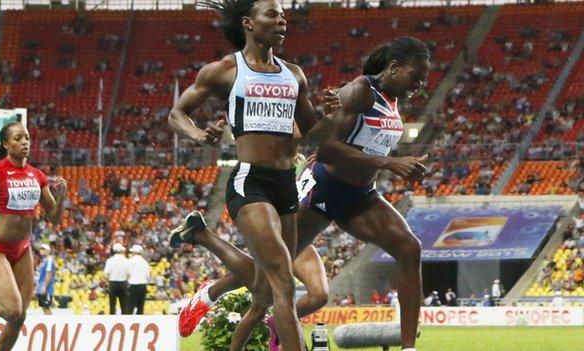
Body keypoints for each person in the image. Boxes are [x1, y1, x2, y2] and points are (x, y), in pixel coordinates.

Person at [175, 36, 430, 351]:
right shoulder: (360, 91)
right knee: (267, 280)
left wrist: (392, 165)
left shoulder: (393, 99)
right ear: (394, 67)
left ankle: (408, 348)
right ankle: (208, 280)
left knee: (410, 249)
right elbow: (325, 149)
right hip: (322, 189)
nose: (419, 84)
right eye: (415, 76)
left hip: (361, 196)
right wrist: (389, 162)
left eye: (423, 80)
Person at [168, 0, 339, 349]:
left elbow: (313, 134)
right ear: (248, 22)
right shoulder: (225, 71)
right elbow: (177, 114)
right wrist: (198, 134)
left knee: (264, 291)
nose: (281, 19)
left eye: (283, 15)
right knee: (284, 284)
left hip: (285, 188)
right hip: (251, 182)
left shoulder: (294, 75)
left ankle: (201, 237)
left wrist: (332, 118)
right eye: (272, 14)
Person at [0, 122, 66, 351]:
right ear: (6, 144)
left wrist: (62, 197)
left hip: (23, 249)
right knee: (12, 311)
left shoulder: (37, 176)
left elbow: (54, 218)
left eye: (27, 138)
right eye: (18, 138)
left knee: (20, 318)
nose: (25, 142)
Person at [104, 243, 128, 314]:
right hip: (123, 283)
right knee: (124, 306)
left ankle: (112, 321)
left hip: (113, 283)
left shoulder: (110, 260)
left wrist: (107, 284)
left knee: (112, 306)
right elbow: (129, 273)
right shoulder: (125, 260)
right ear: (121, 251)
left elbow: (106, 274)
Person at [126, 244, 150, 315]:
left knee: (130, 306)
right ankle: (139, 322)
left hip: (133, 285)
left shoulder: (130, 261)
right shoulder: (145, 262)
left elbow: (127, 273)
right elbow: (147, 275)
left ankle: (129, 323)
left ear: (134, 252)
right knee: (140, 307)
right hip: (143, 285)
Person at [35, 243, 57, 315]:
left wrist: (45, 287)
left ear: (48, 250)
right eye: (41, 248)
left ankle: (51, 324)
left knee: (47, 308)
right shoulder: (43, 261)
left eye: (43, 249)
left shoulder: (49, 260)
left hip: (46, 289)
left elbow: (49, 274)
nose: (41, 250)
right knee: (44, 308)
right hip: (40, 288)